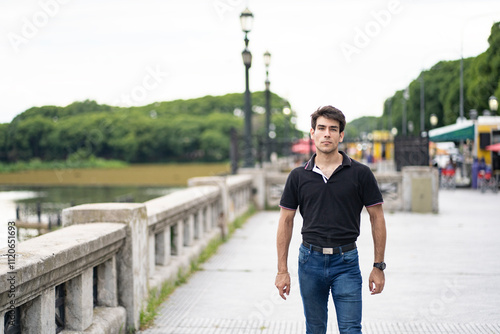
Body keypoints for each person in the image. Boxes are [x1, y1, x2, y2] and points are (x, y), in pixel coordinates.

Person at [275, 105, 387, 334]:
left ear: (341, 135)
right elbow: (286, 221)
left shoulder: (360, 173)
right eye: (322, 128)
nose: (327, 134)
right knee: (315, 329)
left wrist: (378, 266)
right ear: (312, 133)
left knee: (351, 329)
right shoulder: (298, 176)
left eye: (333, 129)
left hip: (346, 262)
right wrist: (281, 270)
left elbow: (377, 218)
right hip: (309, 262)